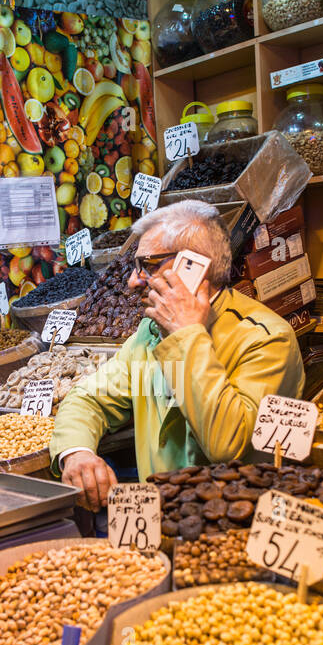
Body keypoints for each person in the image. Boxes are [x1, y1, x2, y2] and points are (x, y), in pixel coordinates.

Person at [51, 201, 305, 509]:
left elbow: (227, 445)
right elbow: (88, 399)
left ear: (194, 267)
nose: (133, 281)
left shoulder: (266, 339)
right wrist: (76, 452)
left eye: (148, 265)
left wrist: (186, 333)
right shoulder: (150, 332)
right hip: (162, 518)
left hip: (232, 524)